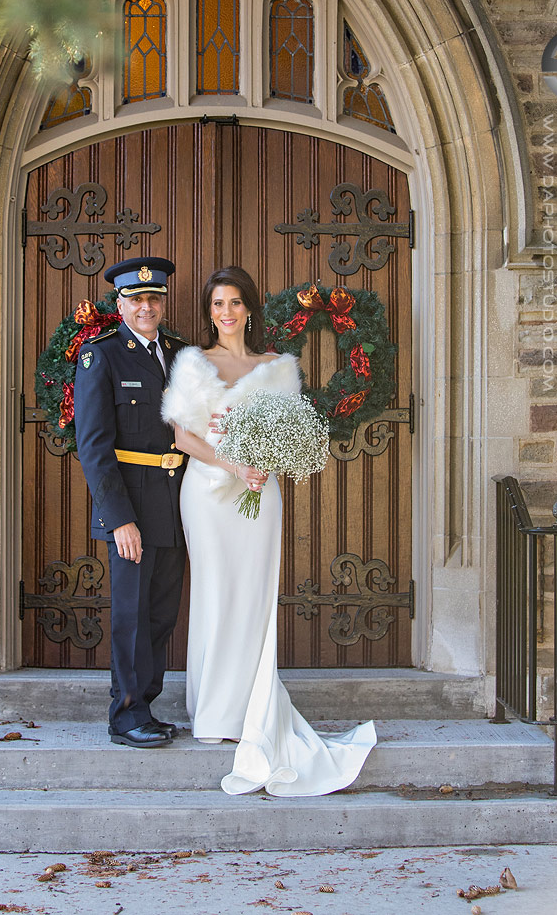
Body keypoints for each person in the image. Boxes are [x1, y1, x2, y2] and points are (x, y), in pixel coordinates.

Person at [161, 266, 377, 796]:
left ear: (249, 308)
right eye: (217, 305)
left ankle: (248, 709)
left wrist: (267, 462)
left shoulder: (278, 366)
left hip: (261, 493)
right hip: (209, 494)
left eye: (235, 303)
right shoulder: (193, 362)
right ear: (209, 312)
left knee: (254, 597)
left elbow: (289, 432)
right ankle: (212, 712)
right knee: (215, 593)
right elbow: (184, 437)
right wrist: (235, 466)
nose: (226, 313)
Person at [73, 256, 188, 748]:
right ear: (119, 304)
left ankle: (147, 704)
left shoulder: (181, 355)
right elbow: (94, 446)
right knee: (131, 614)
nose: (146, 306)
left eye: (154, 298)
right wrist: (118, 519)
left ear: (163, 302)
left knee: (161, 613)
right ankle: (125, 715)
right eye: (136, 299)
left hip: (176, 501)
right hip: (131, 506)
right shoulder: (101, 356)